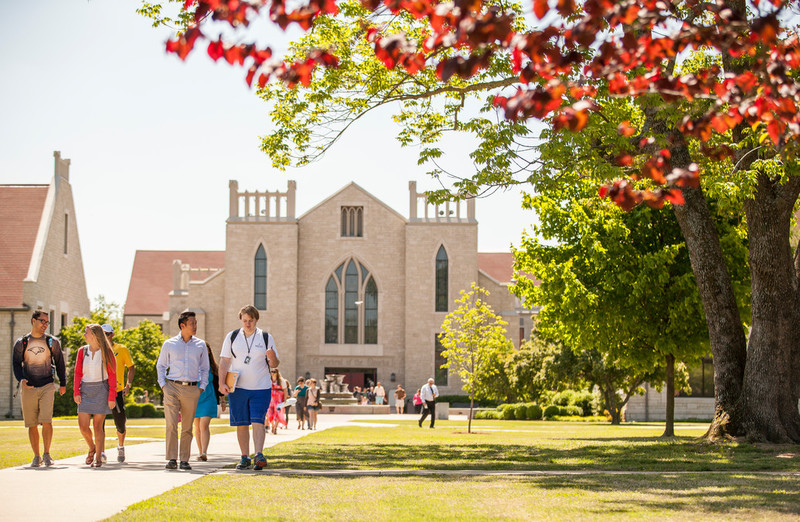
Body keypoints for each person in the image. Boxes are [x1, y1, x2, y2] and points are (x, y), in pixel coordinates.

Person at [219, 305, 279, 471]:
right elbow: (224, 361)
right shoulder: (232, 337)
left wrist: (273, 358)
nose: (247, 324)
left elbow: (274, 364)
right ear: (241, 320)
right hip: (238, 388)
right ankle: (244, 456)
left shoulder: (266, 337)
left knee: (258, 420)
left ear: (256, 320)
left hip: (261, 387)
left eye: (250, 321)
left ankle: (258, 455)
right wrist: (221, 383)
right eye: (245, 321)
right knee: (242, 423)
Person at [12, 310, 67, 467]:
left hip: (47, 385)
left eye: (47, 322)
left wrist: (62, 383)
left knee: (46, 421)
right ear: (33, 321)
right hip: (28, 387)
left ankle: (47, 454)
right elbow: (16, 364)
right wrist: (21, 379)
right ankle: (37, 456)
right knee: (32, 424)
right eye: (42, 321)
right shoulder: (21, 342)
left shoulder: (52, 342)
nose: (45, 325)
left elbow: (60, 363)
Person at [156, 310, 209, 471]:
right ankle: (172, 458)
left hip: (192, 389)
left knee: (187, 427)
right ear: (182, 325)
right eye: (192, 323)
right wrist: (163, 385)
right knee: (171, 424)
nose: (195, 326)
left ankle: (184, 459)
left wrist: (202, 387)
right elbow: (161, 365)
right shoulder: (169, 344)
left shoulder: (200, 345)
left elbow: (205, 368)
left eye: (196, 323)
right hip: (171, 386)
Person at [73, 324, 117, 468]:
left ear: (94, 335)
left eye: (86, 333)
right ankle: (92, 447)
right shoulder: (82, 351)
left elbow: (112, 375)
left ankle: (98, 457)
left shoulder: (107, 352)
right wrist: (76, 392)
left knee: (98, 427)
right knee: (83, 427)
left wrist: (112, 396)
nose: (84, 335)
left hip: (101, 389)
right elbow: (78, 373)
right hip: (85, 389)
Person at [102, 324, 135, 463]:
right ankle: (101, 451)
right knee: (99, 422)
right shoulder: (97, 349)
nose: (105, 337)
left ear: (112, 335)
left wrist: (128, 384)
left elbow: (131, 367)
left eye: (107, 334)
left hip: (117, 390)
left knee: (120, 423)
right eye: (102, 334)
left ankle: (121, 447)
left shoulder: (121, 349)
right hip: (101, 390)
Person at [194, 342, 225, 461]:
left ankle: (204, 452)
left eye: (205, 348)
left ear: (208, 351)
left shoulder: (213, 367)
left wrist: (222, 401)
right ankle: (200, 452)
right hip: (196, 398)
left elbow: (218, 384)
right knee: (196, 427)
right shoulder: (193, 364)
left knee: (204, 425)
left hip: (209, 398)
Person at [266, 368, 288, 434]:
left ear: (277, 373)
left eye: (274, 372)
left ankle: (275, 427)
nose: (273, 373)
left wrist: (285, 399)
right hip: (270, 399)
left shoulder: (281, 380)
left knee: (277, 413)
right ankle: (272, 425)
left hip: (279, 399)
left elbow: (285, 390)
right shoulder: (268, 380)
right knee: (269, 413)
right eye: (272, 372)